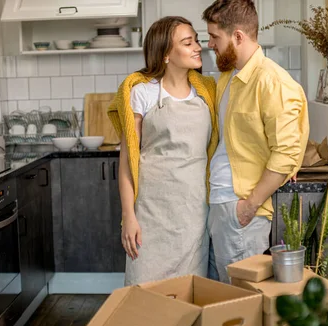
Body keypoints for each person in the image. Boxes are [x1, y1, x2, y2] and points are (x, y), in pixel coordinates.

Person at [202, 0, 309, 282]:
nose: (210, 44)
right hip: (220, 205)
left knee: (241, 302)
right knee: (222, 298)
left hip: (240, 210)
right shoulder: (228, 77)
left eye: (215, 37)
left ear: (238, 36)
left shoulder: (273, 82)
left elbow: (286, 153)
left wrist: (249, 206)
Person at [107, 16, 219, 286]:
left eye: (196, 40)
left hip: (193, 213)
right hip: (152, 213)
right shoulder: (142, 93)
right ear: (166, 54)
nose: (198, 47)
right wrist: (128, 216)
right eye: (187, 42)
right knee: (144, 292)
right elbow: (126, 162)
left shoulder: (208, 92)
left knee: (188, 295)